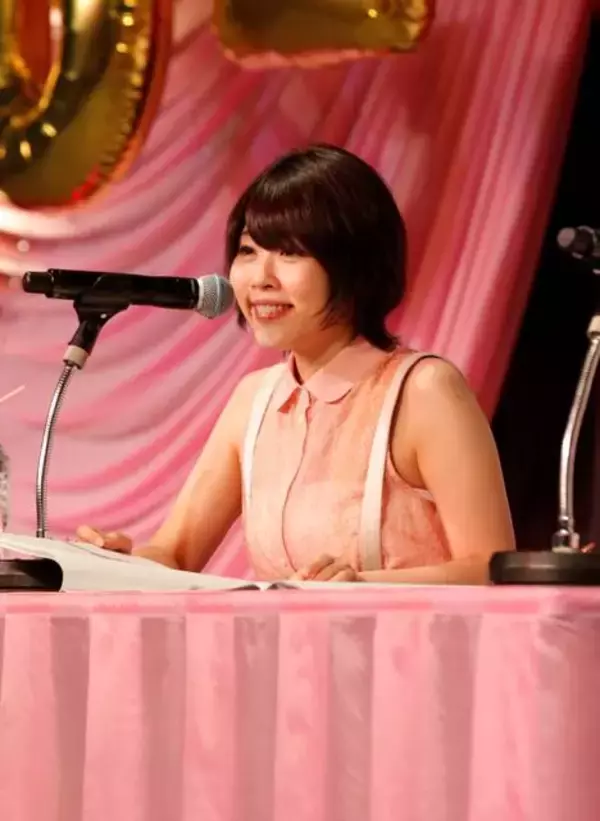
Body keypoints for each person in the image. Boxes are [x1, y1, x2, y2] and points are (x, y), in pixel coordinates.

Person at [77, 144, 515, 584]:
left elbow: (493, 568)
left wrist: (362, 588)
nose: (261, 278)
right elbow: (175, 552)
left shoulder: (424, 391)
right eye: (248, 251)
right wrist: (112, 564)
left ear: (354, 265)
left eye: (290, 252)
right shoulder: (255, 400)